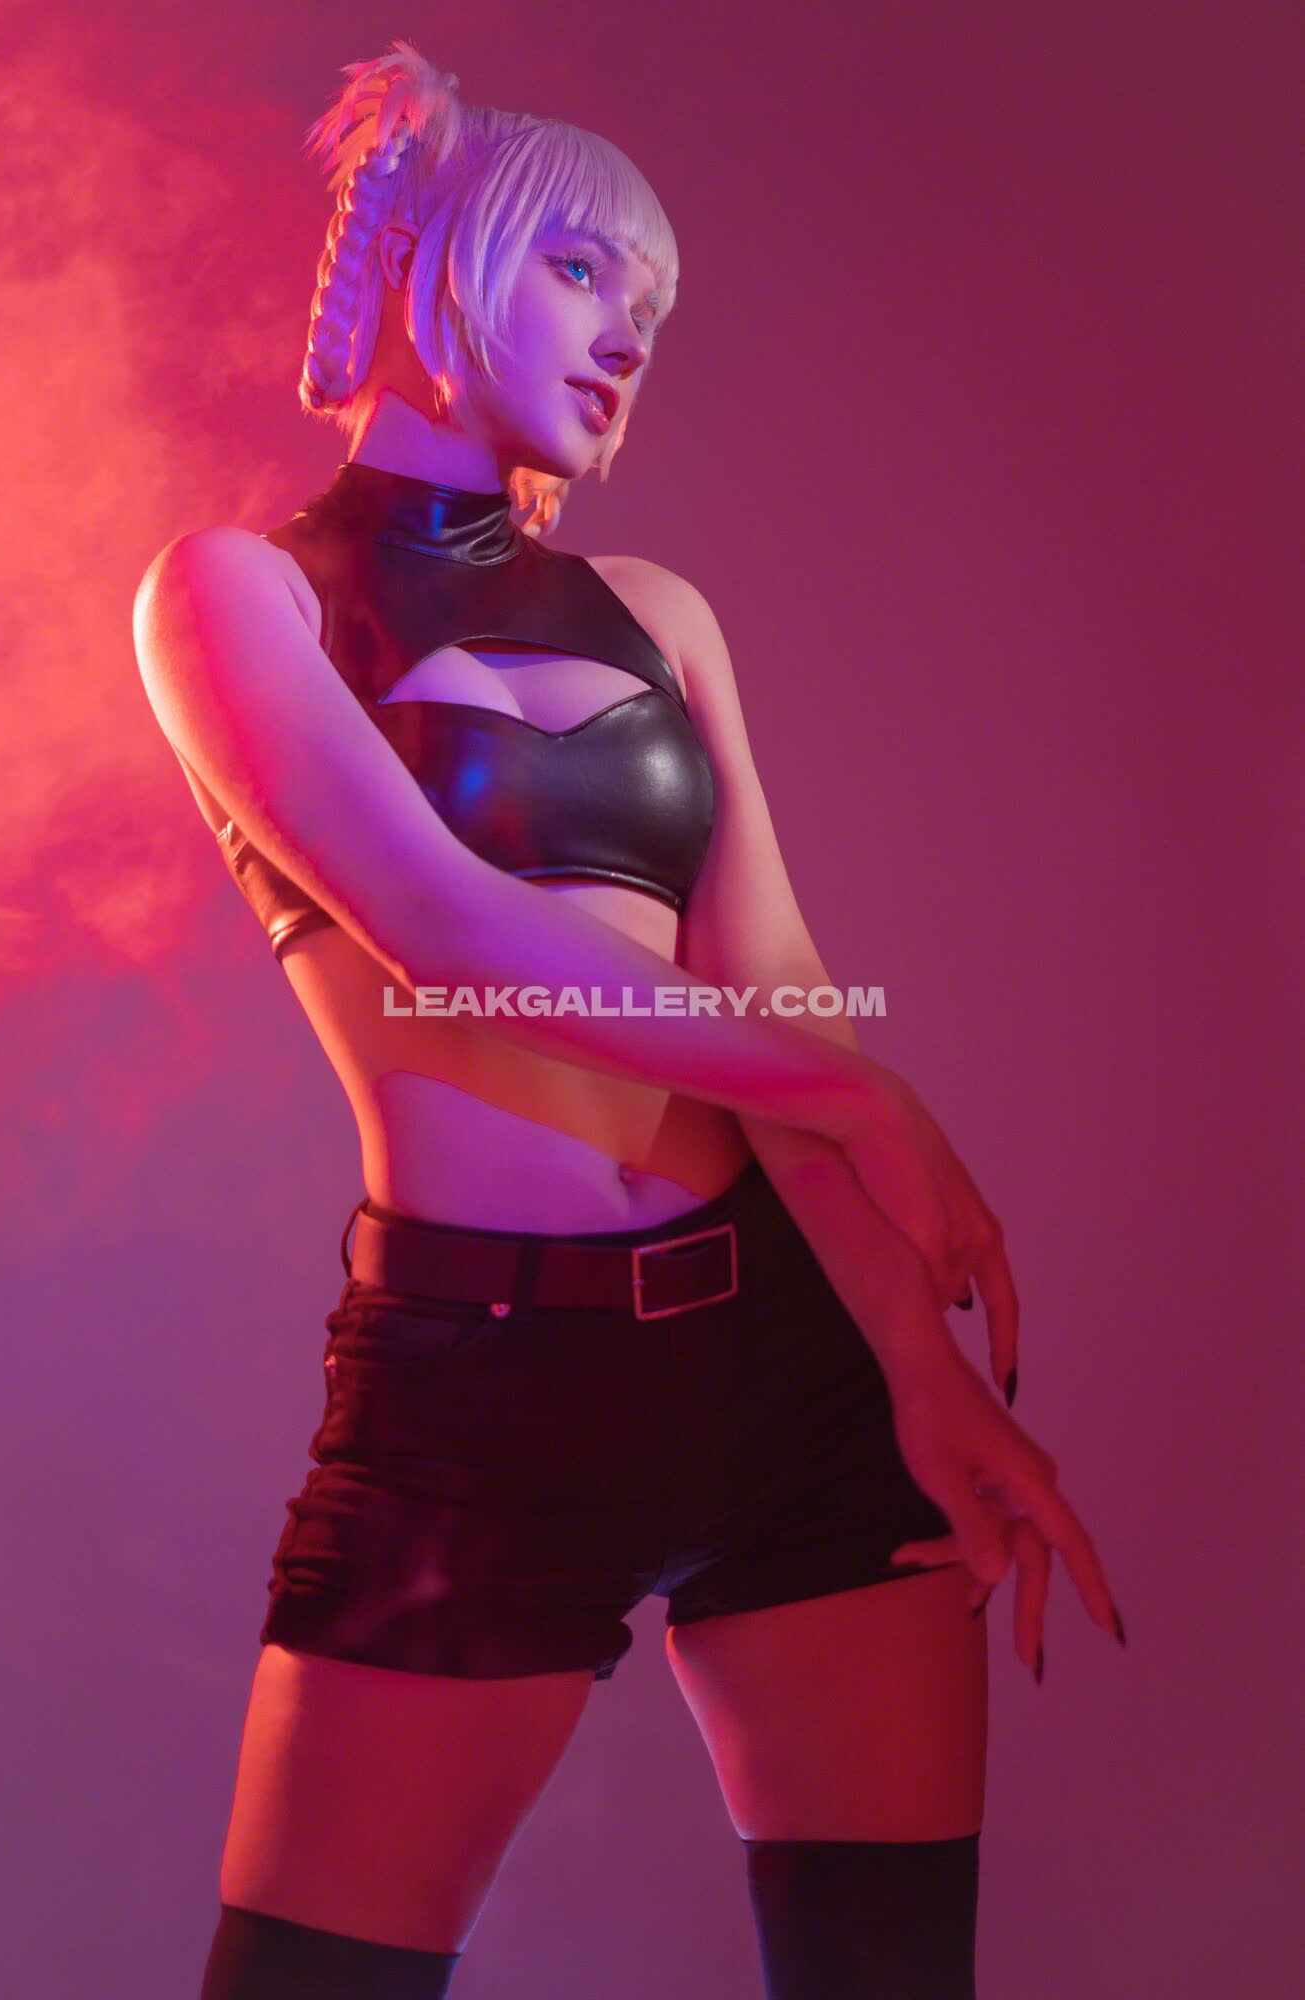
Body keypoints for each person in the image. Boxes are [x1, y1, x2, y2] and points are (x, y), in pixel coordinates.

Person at [132, 40, 1126, 2000]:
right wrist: (867, 1093)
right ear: (438, 252)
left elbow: (773, 994)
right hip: (480, 1394)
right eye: (584, 270)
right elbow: (445, 928)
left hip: (791, 1365)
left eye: (653, 310)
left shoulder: (659, 613)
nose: (625, 338)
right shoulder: (235, 594)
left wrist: (919, 1368)